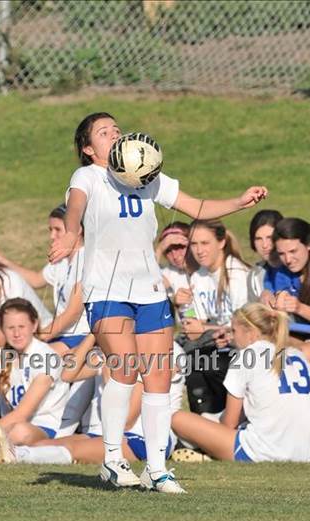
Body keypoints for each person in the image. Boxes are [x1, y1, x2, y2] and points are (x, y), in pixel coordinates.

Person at [48, 112, 268, 493]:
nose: (114, 134)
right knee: (125, 369)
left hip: (148, 290)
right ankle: (113, 460)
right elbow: (76, 208)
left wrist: (239, 201)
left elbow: (196, 207)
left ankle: (156, 468)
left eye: (116, 128)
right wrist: (70, 234)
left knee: (159, 379)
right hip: (107, 290)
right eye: (103, 132)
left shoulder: (147, 176)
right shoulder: (87, 177)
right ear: (88, 149)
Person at [0, 336, 186, 481]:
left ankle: (14, 455)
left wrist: (109, 373)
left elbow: (126, 418)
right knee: (52, 444)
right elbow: (69, 373)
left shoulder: (160, 351)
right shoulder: (115, 348)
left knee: (74, 452)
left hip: (142, 438)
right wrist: (93, 335)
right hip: (104, 433)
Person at [172, 303, 310, 463]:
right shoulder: (298, 356)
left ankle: (203, 451)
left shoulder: (247, 356)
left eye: (234, 331)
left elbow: (229, 423)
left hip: (261, 452)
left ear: (251, 333)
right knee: (207, 419)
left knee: (176, 418)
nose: (231, 337)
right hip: (305, 453)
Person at [0, 298, 70, 448]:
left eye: (22, 326)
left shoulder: (46, 358)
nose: (16, 333)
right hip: (8, 424)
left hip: (42, 428)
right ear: (2, 330)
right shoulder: (4, 355)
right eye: (10, 328)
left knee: (20, 431)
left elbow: (22, 414)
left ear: (34, 325)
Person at [0, 204, 89, 354]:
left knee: (29, 358)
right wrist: (3, 261)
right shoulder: (62, 259)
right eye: (50, 230)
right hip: (62, 334)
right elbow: (37, 280)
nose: (52, 236)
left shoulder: (86, 262)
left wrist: (37, 338)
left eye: (58, 230)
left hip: (81, 335)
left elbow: (72, 314)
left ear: (77, 230)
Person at [178, 219, 250, 415]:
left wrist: (203, 330)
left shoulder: (237, 274)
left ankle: (222, 423)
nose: (199, 250)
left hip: (241, 349)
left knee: (205, 364)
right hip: (214, 347)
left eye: (205, 243)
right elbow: (194, 322)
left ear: (221, 242)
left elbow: (246, 326)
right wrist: (183, 306)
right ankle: (203, 425)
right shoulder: (198, 277)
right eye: (194, 244)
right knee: (190, 362)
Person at [265, 218, 310, 337]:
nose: (288, 260)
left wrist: (300, 308)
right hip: (299, 338)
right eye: (281, 254)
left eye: (293, 251)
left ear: (308, 245)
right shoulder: (282, 272)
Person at [246, 209, 283, 301]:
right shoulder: (254, 276)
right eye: (258, 239)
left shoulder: (296, 268)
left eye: (269, 238)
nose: (264, 245)